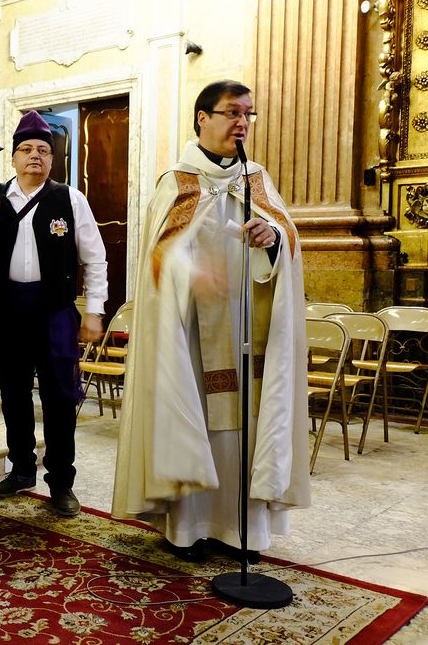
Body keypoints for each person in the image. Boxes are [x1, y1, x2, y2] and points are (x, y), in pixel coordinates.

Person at [111, 80, 309, 563]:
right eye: (232, 113)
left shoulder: (256, 179)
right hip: (190, 334)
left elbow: (287, 239)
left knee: (247, 422)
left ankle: (244, 531)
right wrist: (189, 272)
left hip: (249, 327)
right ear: (203, 117)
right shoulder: (177, 182)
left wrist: (273, 238)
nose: (242, 122)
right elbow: (158, 257)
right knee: (195, 415)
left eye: (248, 114)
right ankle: (189, 528)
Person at [0, 110, 108, 517]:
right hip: (6, 311)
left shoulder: (70, 199)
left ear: (53, 160)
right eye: (26, 150)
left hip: (54, 312)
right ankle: (20, 470)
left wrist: (93, 311)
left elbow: (96, 258)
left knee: (58, 397)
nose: (34, 156)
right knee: (14, 394)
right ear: (13, 158)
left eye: (43, 150)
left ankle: (61, 482)